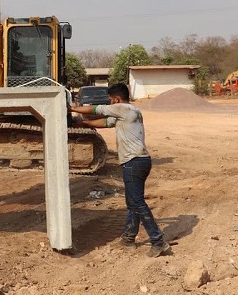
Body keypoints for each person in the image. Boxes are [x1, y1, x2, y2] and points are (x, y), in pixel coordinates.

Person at [69, 83, 171, 257]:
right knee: (133, 202)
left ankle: (157, 240)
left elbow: (97, 110)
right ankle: (128, 237)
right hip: (141, 160)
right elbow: (106, 122)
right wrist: (82, 123)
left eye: (111, 100)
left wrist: (71, 108)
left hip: (133, 161)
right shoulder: (131, 111)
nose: (110, 102)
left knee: (137, 202)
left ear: (116, 99)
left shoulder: (122, 108)